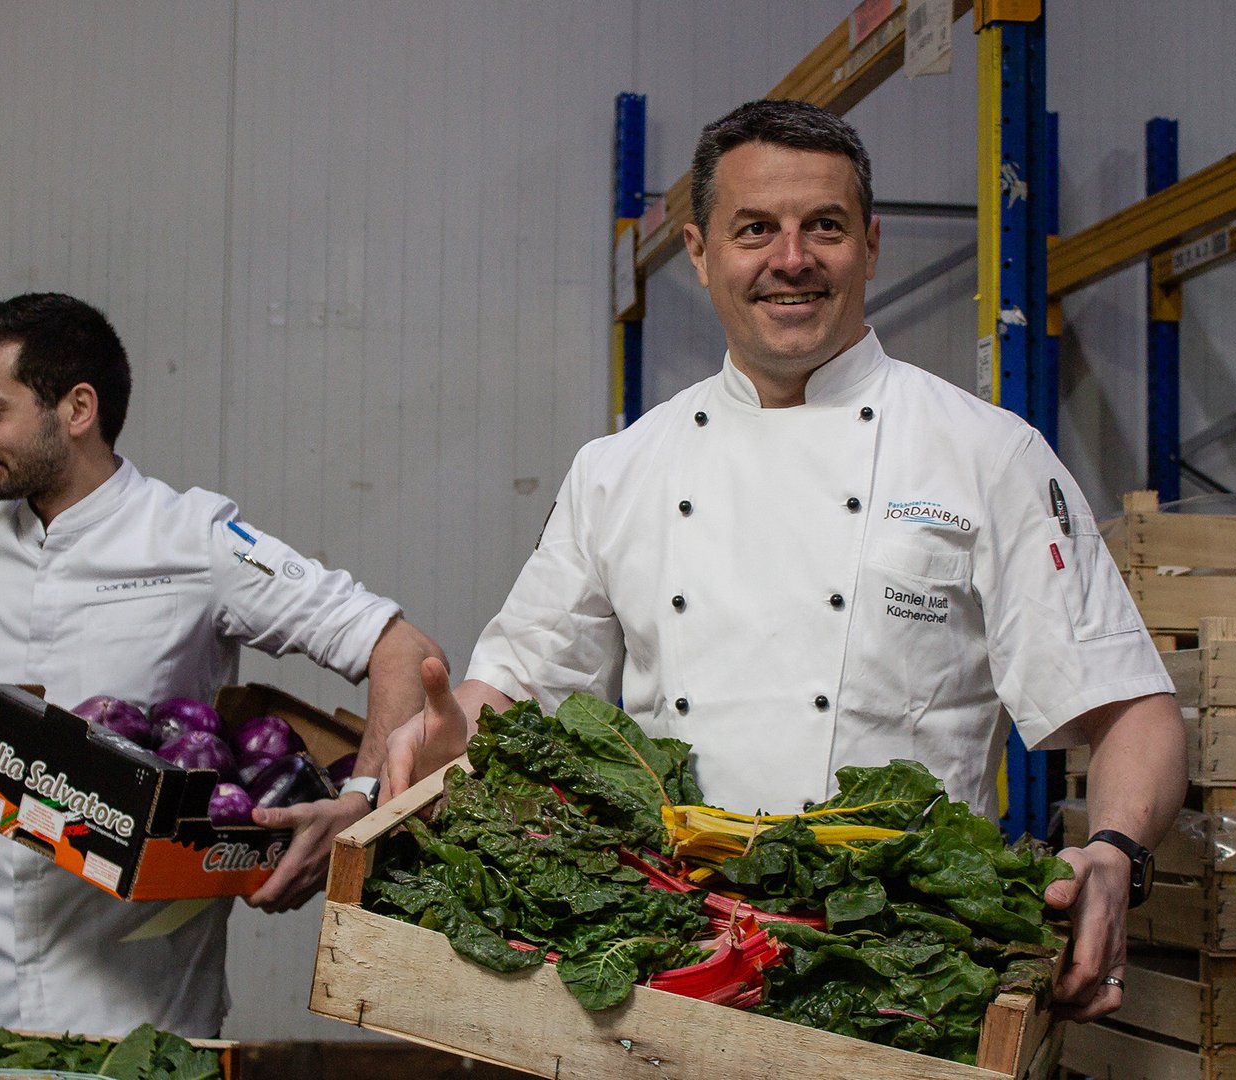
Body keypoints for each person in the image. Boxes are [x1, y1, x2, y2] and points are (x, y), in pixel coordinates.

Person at [382, 98, 1187, 1023]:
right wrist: (451, 742)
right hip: (666, 957)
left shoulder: (986, 456)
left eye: (825, 228)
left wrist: (1117, 851)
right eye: (755, 228)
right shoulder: (619, 471)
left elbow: (1134, 710)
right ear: (699, 252)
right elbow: (511, 694)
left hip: (898, 971)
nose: (791, 259)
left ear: (872, 246)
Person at [0, 292, 445, 1037]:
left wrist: (357, 809)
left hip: (143, 1019)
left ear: (77, 408)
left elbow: (402, 652)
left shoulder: (196, 541)